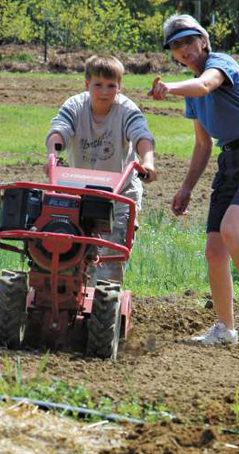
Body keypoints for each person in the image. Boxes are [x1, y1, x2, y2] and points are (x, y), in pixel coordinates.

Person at [149, 14, 239, 343]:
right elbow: (202, 144)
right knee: (214, 249)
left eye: (188, 41)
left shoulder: (220, 64)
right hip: (231, 162)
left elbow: (206, 84)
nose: (184, 49)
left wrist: (168, 88)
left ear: (204, 41)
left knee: (231, 228)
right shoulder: (192, 95)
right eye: (176, 45)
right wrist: (186, 187)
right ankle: (225, 328)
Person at [45, 54, 156, 285]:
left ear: (119, 87)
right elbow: (60, 130)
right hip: (80, 188)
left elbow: (141, 136)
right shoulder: (75, 106)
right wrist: (53, 155)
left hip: (120, 192)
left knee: (112, 252)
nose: (104, 92)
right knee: (71, 248)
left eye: (111, 86)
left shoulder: (126, 109)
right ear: (87, 85)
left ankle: (105, 303)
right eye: (98, 85)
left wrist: (148, 162)